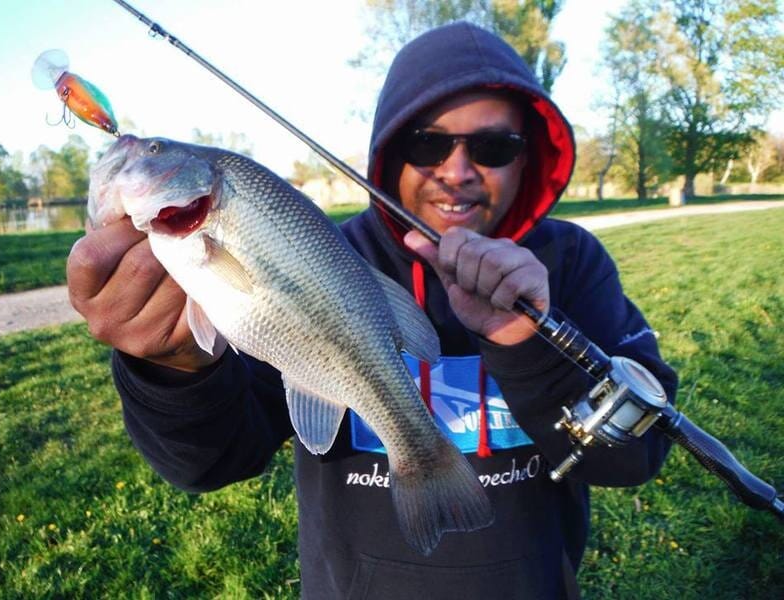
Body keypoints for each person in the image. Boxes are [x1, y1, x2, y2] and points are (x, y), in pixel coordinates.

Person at [67, 21, 677, 600]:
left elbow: (633, 457)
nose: (458, 171)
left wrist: (527, 343)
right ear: (387, 151)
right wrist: (176, 367)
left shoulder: (572, 262)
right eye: (427, 143)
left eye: (495, 145)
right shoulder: (336, 255)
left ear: (530, 156)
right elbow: (211, 461)